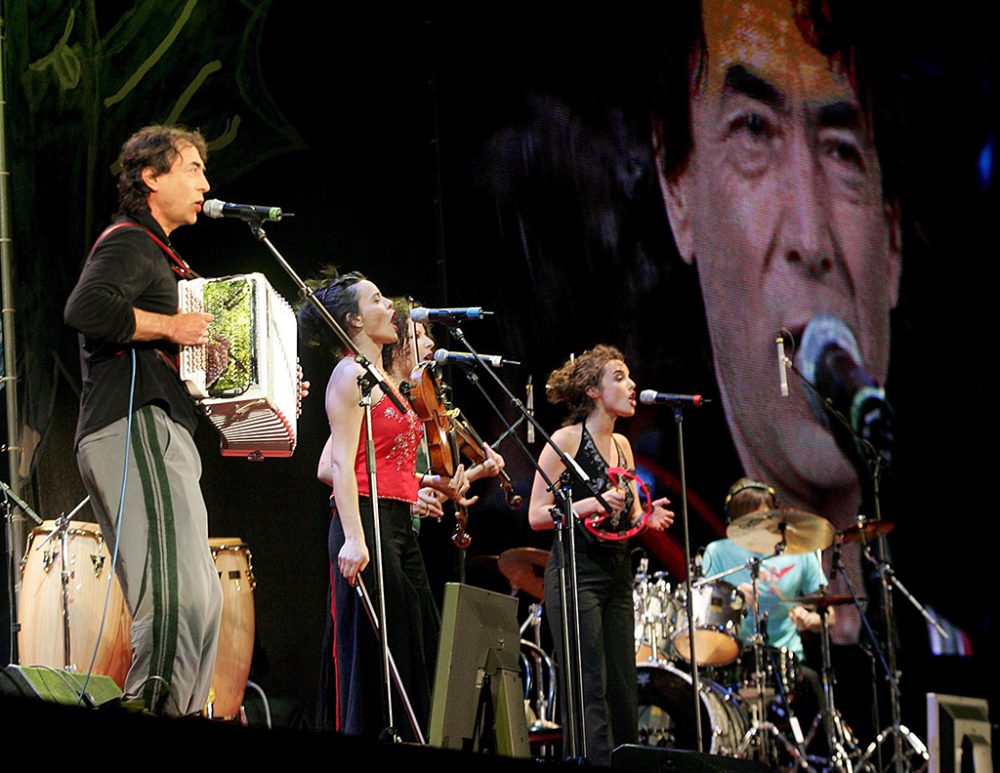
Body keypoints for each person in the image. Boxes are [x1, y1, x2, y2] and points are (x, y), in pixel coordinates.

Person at [653, 0, 902, 642]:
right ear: (678, 189)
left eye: (843, 151)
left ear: (893, 238)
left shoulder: (950, 645)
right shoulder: (678, 542)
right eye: (754, 131)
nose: (810, 237)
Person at [63, 125, 223, 716]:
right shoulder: (130, 241)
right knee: (175, 593)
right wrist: (170, 328)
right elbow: (85, 308)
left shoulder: (169, 261)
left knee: (204, 599)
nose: (206, 183)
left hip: (166, 430)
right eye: (192, 168)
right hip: (132, 425)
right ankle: (150, 704)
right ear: (151, 177)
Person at [303, 273, 475, 739]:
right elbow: (340, 463)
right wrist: (355, 538)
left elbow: (382, 459)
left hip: (398, 522)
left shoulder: (385, 379)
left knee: (415, 638)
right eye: (377, 300)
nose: (389, 308)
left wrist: (430, 479)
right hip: (365, 519)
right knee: (375, 653)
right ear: (355, 319)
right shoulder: (350, 374)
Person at [528, 345, 674, 765]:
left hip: (617, 569)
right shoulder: (567, 441)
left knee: (623, 685)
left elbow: (623, 510)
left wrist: (643, 518)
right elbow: (538, 515)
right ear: (593, 390)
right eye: (620, 377)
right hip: (578, 570)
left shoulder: (625, 446)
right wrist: (587, 506)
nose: (632, 386)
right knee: (589, 684)